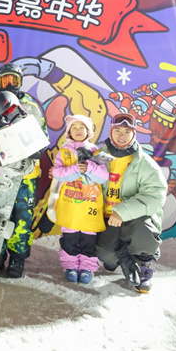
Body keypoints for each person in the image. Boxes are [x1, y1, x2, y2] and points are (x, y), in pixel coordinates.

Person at [0, 63, 49, 278]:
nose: (9, 84)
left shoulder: (29, 105)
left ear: (21, 82)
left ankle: (17, 257)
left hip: (25, 172)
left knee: (22, 216)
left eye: (14, 80)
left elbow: (42, 138)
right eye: (5, 80)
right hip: (0, 170)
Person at [95, 112, 168, 293]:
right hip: (106, 218)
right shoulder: (98, 157)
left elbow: (156, 196)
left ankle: (144, 263)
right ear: (111, 132)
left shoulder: (145, 163)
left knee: (142, 229)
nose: (122, 135)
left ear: (134, 134)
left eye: (127, 132)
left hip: (134, 218)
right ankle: (119, 257)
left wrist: (122, 212)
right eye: (118, 130)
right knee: (105, 254)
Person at [47, 114, 108, 284]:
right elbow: (57, 173)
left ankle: (87, 268)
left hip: (90, 205)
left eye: (82, 128)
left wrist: (89, 168)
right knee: (70, 238)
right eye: (74, 128)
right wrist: (76, 169)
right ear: (69, 132)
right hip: (70, 204)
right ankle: (70, 266)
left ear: (88, 132)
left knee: (89, 239)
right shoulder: (64, 152)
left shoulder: (96, 152)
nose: (78, 131)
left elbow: (103, 177)